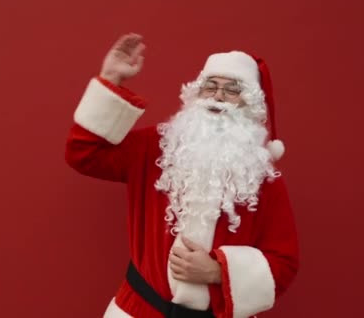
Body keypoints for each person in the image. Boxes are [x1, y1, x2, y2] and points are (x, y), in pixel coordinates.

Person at [65, 33, 299, 318]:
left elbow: (284, 263)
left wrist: (218, 271)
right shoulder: (156, 146)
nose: (218, 97)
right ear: (196, 95)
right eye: (210, 87)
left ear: (248, 104)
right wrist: (111, 79)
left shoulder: (264, 178)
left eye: (231, 90)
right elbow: (85, 155)